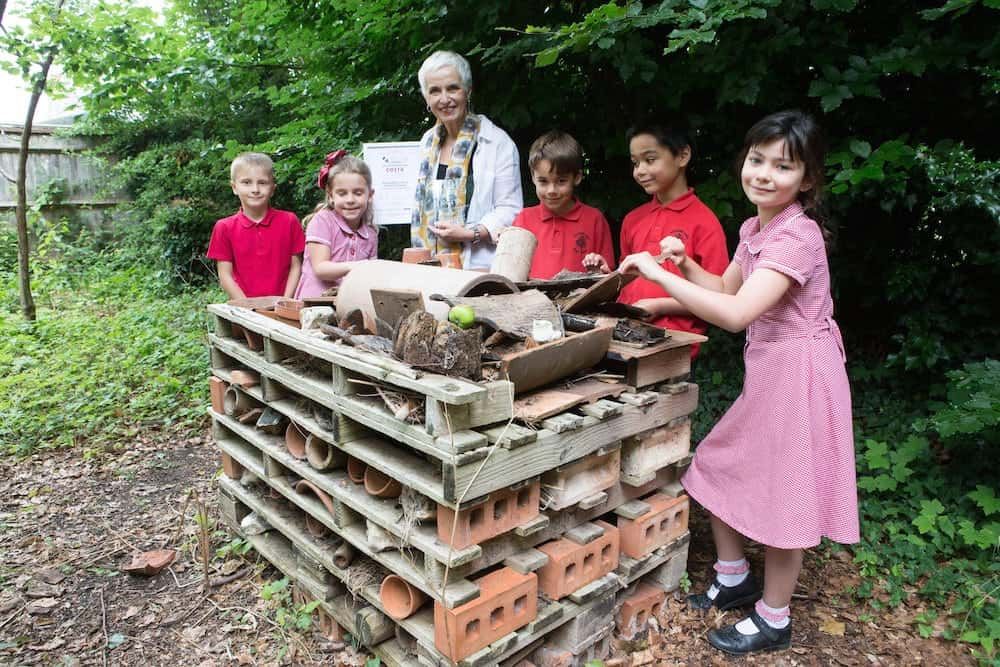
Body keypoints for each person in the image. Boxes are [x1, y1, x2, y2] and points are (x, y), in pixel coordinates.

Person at [618, 110, 859, 655]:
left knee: (785, 497)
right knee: (714, 463)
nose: (765, 174)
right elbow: (725, 286)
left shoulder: (798, 236)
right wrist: (678, 275)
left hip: (802, 375)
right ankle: (734, 577)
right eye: (757, 160)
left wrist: (657, 275)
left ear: (808, 180)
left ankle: (775, 617)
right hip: (771, 372)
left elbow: (735, 314)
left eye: (783, 166)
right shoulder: (756, 228)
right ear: (742, 163)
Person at [584, 123, 728, 350]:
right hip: (624, 336)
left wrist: (660, 306)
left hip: (675, 344)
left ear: (683, 155)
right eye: (635, 162)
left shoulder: (705, 222)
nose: (639, 171)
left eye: (650, 160)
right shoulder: (633, 220)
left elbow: (720, 298)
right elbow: (627, 284)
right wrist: (606, 276)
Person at [410, 50, 523, 270]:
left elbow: (511, 210)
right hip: (428, 269)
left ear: (468, 91)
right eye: (435, 91)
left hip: (479, 267)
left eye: (453, 88)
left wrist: (470, 234)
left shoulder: (497, 142)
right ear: (426, 98)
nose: (445, 99)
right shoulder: (426, 144)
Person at [511, 130, 615, 279]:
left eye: (561, 181)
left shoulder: (594, 219)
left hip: (580, 301)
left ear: (577, 177)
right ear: (533, 177)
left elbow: (608, 276)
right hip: (531, 301)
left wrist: (599, 270)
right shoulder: (523, 219)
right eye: (543, 181)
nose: (551, 190)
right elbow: (512, 274)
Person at [207, 152, 305, 299]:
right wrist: (248, 308)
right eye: (246, 182)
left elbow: (296, 267)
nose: (255, 189)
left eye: (262, 182)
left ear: (272, 188)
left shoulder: (289, 221)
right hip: (244, 311)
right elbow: (225, 275)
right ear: (234, 187)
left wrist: (286, 301)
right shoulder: (224, 227)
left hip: (285, 307)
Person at [294, 151, 378, 298]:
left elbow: (370, 277)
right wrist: (358, 266)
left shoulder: (370, 234)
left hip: (349, 305)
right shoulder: (322, 221)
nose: (350, 199)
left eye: (358, 193)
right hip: (314, 304)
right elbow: (320, 268)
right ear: (331, 196)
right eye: (342, 193)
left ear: (370, 195)